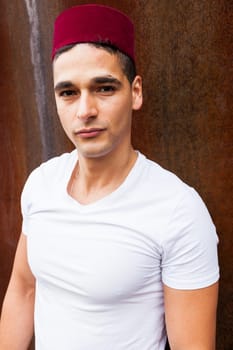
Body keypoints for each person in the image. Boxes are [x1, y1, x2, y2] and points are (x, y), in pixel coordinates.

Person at [0, 4, 219, 350]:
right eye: (68, 92)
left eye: (103, 88)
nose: (85, 110)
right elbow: (24, 290)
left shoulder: (178, 210)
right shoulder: (41, 185)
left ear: (135, 92)